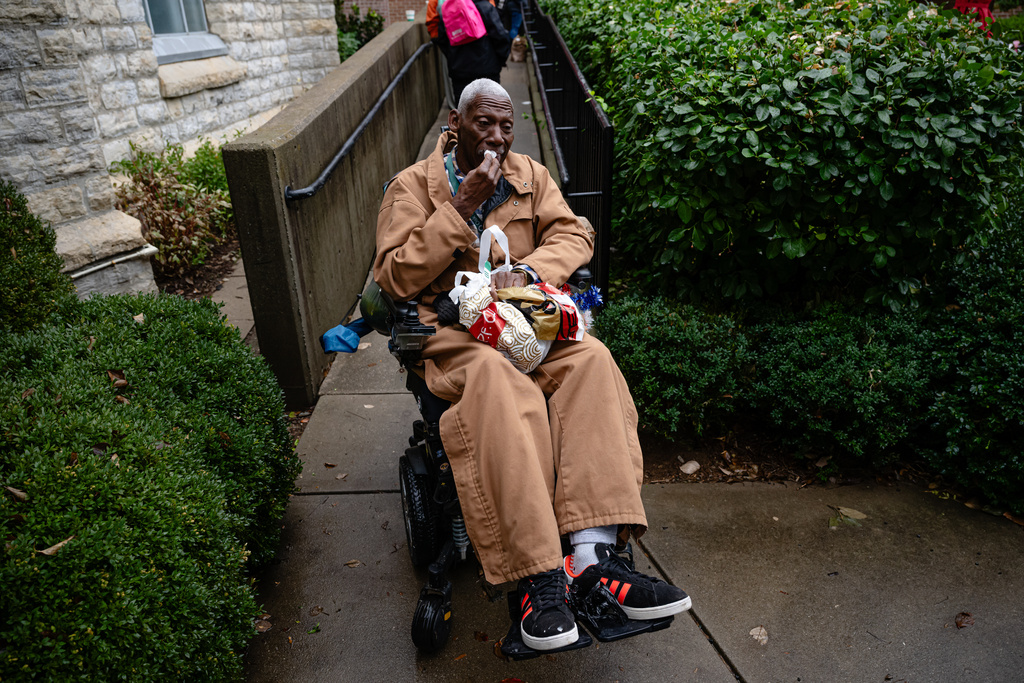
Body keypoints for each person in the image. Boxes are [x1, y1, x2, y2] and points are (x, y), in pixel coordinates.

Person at [374, 79, 691, 652]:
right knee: (502, 385)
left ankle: (595, 560)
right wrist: (461, 206)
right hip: (453, 336)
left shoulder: (529, 174)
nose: (497, 136)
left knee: (591, 359)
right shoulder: (412, 188)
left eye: (505, 125)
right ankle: (538, 580)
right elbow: (394, 275)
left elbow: (575, 231)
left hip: (525, 324)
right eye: (483, 124)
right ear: (455, 122)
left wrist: (524, 271)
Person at [433, 0, 510, 103]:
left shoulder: (448, 10)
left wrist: (453, 59)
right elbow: (500, 36)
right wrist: (500, 60)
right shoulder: (485, 7)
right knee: (490, 109)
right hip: (487, 69)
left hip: (460, 72)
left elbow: (442, 39)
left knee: (464, 112)